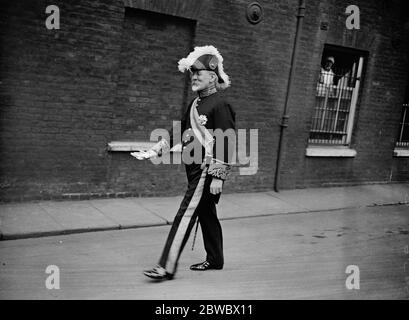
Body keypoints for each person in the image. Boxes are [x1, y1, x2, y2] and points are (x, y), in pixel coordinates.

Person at [131, 45, 236, 280]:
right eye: (192, 72)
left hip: (206, 171)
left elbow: (227, 140)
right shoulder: (195, 104)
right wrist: (157, 149)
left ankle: (166, 267)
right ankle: (215, 259)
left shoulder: (221, 104)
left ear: (213, 76)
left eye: (199, 72)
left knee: (185, 214)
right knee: (206, 212)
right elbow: (179, 131)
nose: (194, 76)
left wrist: (218, 176)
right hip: (194, 169)